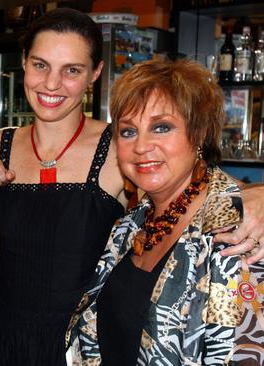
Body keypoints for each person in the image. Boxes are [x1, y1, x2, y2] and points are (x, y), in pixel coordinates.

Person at [0, 8, 264, 366]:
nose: (51, 83)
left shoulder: (120, 149)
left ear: (94, 74)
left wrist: (261, 192)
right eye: (40, 65)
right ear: (24, 64)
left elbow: (210, 183)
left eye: (72, 70)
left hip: (69, 349)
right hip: (14, 345)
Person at [67, 58, 264, 365]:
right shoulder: (128, 227)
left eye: (161, 127)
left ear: (198, 134)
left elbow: (247, 353)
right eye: (128, 131)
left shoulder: (237, 227)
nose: (142, 146)